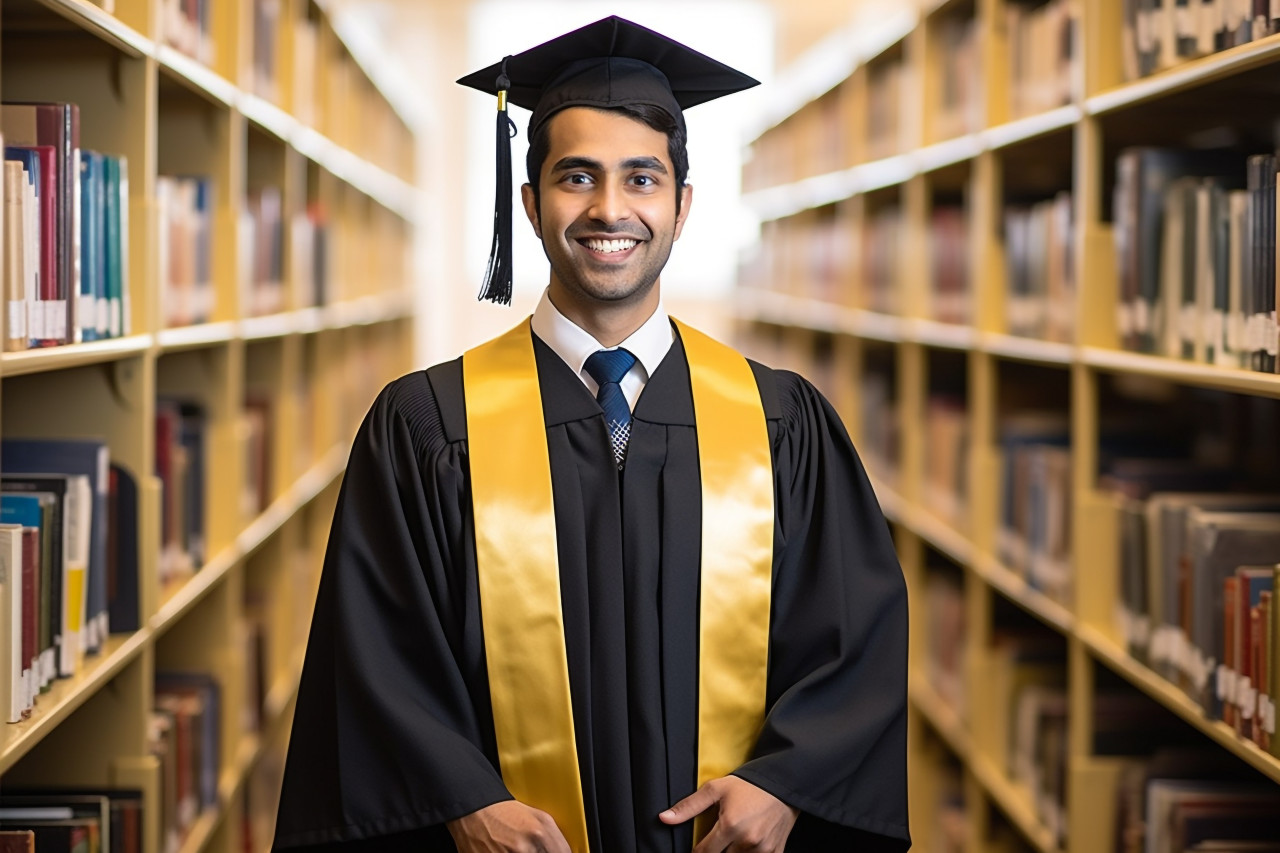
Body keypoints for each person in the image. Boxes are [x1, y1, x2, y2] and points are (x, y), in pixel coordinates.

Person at [272, 16, 910, 853]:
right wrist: (464, 803)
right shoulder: (428, 426)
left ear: (682, 208)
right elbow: (375, 661)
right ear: (531, 204)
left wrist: (784, 784)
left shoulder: (779, 422)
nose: (610, 208)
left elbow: (850, 641)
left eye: (642, 178)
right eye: (577, 177)